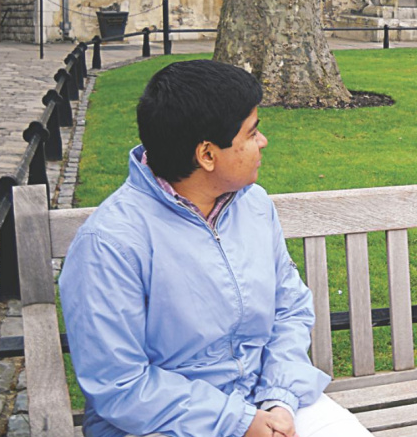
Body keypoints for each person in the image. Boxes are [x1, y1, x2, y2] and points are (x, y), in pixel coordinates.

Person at [59, 60, 372, 437]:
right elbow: (121, 384)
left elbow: (289, 309)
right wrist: (238, 422)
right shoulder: (109, 244)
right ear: (207, 155)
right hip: (164, 425)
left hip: (265, 399)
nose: (263, 141)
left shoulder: (254, 205)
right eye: (252, 132)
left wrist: (279, 399)